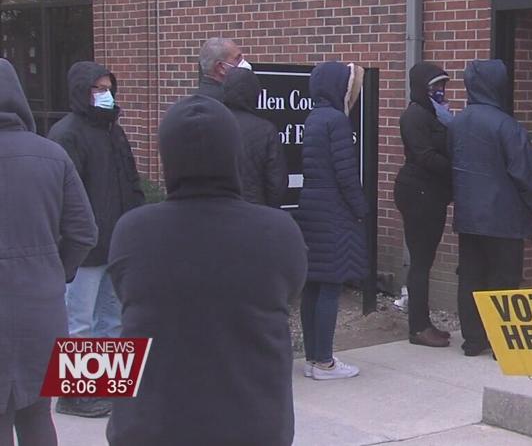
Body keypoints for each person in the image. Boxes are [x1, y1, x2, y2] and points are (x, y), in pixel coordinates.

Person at [105, 95, 307, 446]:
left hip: (150, 425)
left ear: (166, 157)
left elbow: (127, 298)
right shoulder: (278, 230)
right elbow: (289, 292)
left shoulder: (133, 230)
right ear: (234, 154)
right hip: (252, 423)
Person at [0, 59, 98, 446]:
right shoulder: (52, 155)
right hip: (40, 303)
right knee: (38, 412)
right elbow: (83, 232)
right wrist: (56, 272)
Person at [48, 61, 144, 418]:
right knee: (79, 323)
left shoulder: (112, 131)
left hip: (117, 243)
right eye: (97, 89)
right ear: (81, 91)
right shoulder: (67, 135)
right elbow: (64, 199)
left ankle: (107, 387)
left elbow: (130, 181)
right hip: (84, 248)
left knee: (113, 319)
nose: (105, 95)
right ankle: (75, 394)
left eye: (108, 88)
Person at [448, 59, 532, 357]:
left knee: (471, 276)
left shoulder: (457, 122)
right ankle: (503, 341)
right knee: (504, 279)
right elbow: (524, 173)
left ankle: (473, 340)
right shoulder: (507, 126)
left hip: (468, 214)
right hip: (504, 217)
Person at [297, 61, 368, 379]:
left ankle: (313, 357)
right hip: (333, 211)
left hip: (311, 207)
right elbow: (345, 173)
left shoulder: (314, 117)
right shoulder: (337, 121)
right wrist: (360, 207)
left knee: (313, 283)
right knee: (331, 284)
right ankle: (325, 361)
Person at [395, 62, 453, 348]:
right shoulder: (414, 116)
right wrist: (457, 168)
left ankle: (424, 322)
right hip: (419, 192)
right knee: (420, 262)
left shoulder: (436, 114)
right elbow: (425, 156)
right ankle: (418, 327)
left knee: (424, 260)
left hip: (431, 192)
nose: (440, 91)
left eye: (442, 85)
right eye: (435, 86)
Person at [222, 67, 287, 207]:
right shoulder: (266, 130)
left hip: (218, 212)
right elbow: (276, 185)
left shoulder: (212, 124)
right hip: (255, 210)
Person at [196, 37, 250, 102]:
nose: (243, 62)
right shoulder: (230, 103)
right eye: (237, 58)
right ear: (221, 68)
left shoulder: (189, 103)